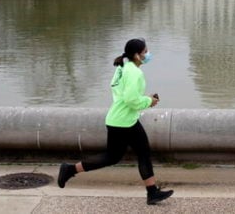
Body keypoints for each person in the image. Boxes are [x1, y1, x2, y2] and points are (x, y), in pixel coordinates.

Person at [57, 38, 174, 205]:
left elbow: (121, 93)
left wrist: (144, 99)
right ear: (137, 55)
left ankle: (69, 170)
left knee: (112, 157)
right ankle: (152, 192)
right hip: (126, 122)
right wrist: (149, 101)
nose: (148, 54)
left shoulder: (123, 67)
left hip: (117, 119)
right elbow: (130, 100)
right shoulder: (134, 72)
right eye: (145, 51)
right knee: (143, 153)